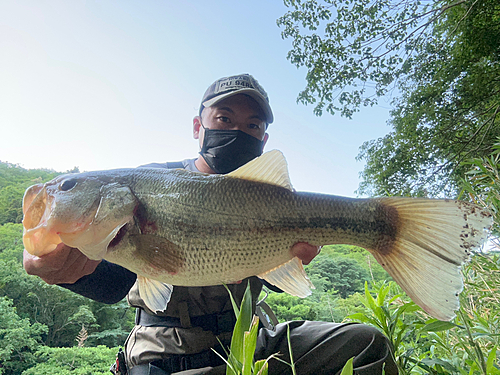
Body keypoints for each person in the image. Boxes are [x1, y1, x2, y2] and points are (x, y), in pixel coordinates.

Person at [24, 74, 398, 375]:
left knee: (366, 343)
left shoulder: (270, 197)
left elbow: (272, 280)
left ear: (263, 140)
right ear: (197, 125)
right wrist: (70, 270)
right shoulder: (150, 181)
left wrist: (286, 263)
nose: (238, 130)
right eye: (224, 118)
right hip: (168, 349)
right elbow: (116, 284)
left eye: (252, 124)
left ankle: (389, 228)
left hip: (250, 337)